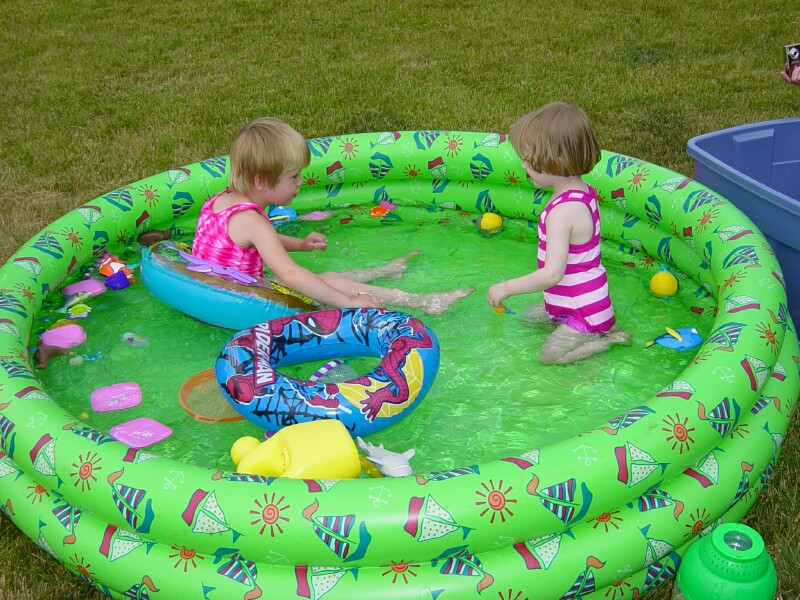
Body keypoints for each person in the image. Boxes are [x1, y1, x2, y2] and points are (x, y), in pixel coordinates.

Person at [192, 117, 474, 315]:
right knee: (331, 283)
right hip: (241, 305)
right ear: (261, 181)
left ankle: (386, 272)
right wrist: (347, 303)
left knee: (326, 279)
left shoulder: (222, 201)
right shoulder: (252, 219)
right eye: (293, 177)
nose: (301, 182)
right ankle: (423, 302)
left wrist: (300, 244)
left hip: (215, 295)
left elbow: (259, 241)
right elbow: (290, 273)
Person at [486, 102, 630, 364]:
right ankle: (596, 327)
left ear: (558, 160)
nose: (523, 166)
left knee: (549, 357)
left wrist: (506, 287)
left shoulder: (562, 212)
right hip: (568, 301)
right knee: (527, 321)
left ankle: (608, 339)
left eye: (529, 160)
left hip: (585, 311)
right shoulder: (582, 191)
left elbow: (552, 274)